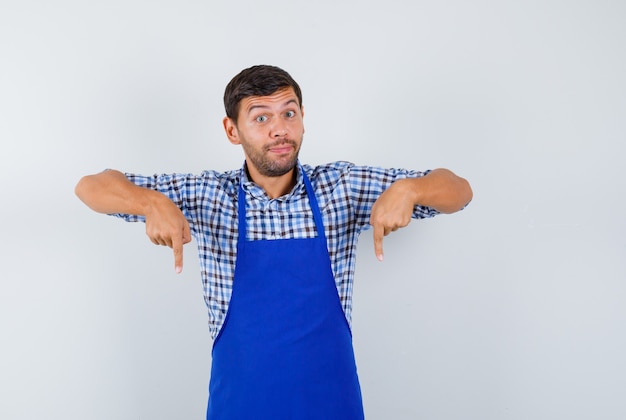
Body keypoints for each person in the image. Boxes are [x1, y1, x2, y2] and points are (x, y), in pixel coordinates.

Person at [75, 64, 473, 419]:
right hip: (240, 404)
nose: (279, 128)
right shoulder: (210, 194)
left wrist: (411, 189)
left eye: (289, 113)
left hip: (331, 404)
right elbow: (91, 187)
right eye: (260, 117)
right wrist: (150, 202)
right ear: (233, 130)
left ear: (302, 120)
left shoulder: (341, 188)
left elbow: (459, 191)